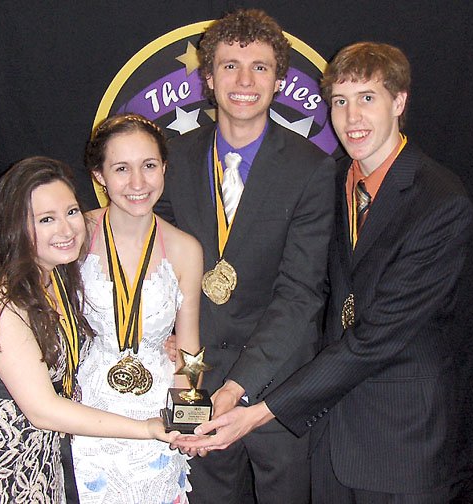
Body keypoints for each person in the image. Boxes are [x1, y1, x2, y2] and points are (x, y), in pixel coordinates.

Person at [176, 42, 473, 504]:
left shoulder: (439, 201)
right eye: (340, 101)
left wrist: (259, 411)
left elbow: (375, 338)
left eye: (368, 99)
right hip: (330, 431)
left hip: (399, 437)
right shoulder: (333, 179)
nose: (352, 117)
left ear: (399, 102)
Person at [0, 157, 178, 504]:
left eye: (71, 212)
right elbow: (42, 408)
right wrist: (144, 428)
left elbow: (78, 347)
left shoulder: (57, 274)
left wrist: (155, 343)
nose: (67, 229)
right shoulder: (0, 296)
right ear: (16, 227)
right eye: (46, 219)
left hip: (37, 449)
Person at [155, 8, 336, 504]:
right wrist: (167, 331)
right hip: (194, 376)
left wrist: (237, 388)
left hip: (274, 382)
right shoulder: (173, 158)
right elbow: (158, 256)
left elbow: (300, 295)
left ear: (279, 80)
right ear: (208, 78)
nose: (244, 80)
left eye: (259, 67)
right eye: (229, 65)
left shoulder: (313, 170)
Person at [71, 114, 202, 504]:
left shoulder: (186, 249)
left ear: (163, 167)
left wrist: (189, 425)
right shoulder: (73, 235)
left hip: (158, 414)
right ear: (99, 176)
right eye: (121, 169)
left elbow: (191, 352)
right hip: (86, 407)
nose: (138, 183)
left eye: (148, 166)